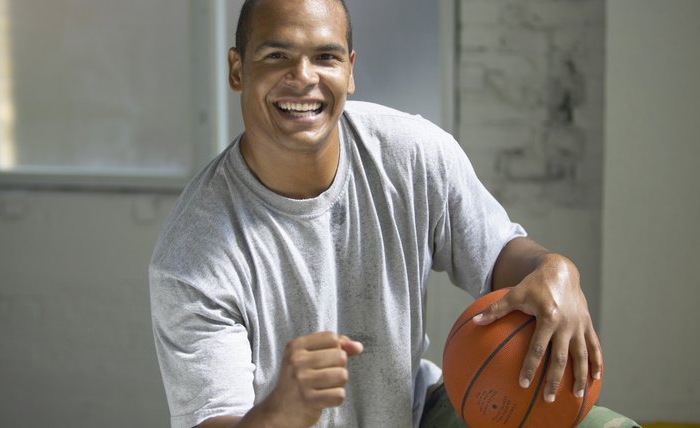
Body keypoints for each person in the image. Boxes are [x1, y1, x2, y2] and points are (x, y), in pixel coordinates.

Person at [149, 0, 639, 427]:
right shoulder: (193, 255)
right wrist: (278, 413)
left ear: (350, 69)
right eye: (276, 56)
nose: (303, 77)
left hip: (415, 413)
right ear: (237, 70)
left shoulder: (410, 154)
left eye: (325, 56)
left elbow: (501, 259)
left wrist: (556, 271)